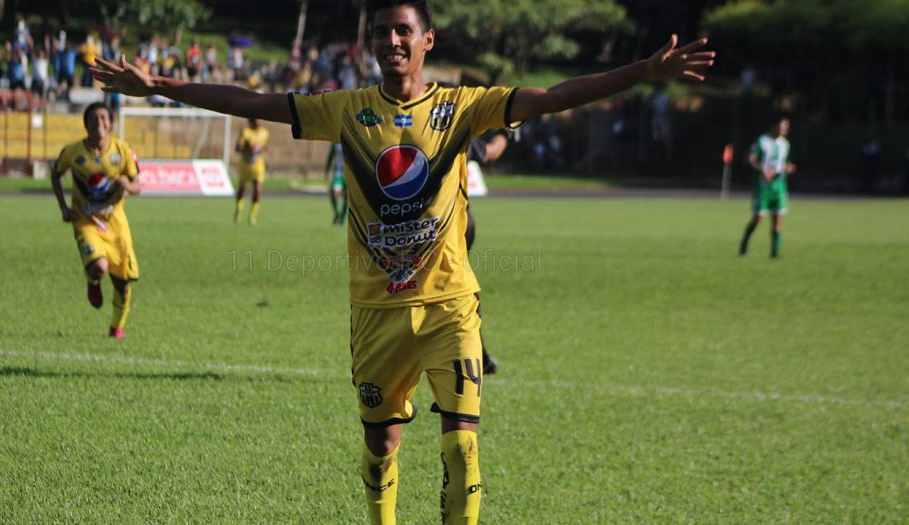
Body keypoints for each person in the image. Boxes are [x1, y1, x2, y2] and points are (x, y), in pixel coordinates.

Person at [92, 1, 713, 521]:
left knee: (462, 447)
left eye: (403, 31)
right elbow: (252, 100)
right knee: (381, 444)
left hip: (450, 305)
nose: (391, 41)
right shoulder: (344, 109)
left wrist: (643, 71)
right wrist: (161, 86)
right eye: (382, 32)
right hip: (377, 312)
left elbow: (554, 96)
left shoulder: (463, 106)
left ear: (426, 40)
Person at [51, 103, 142, 340]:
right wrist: (64, 208)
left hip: (115, 223)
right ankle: (93, 280)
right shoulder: (73, 152)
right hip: (86, 220)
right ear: (86, 124)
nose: (99, 121)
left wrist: (128, 185)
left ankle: (116, 327)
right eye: (94, 117)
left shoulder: (123, 150)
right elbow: (56, 174)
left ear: (111, 123)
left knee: (122, 283)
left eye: (104, 117)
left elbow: (137, 186)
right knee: (100, 267)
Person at [465, 129, 511, 375]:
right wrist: (505, 132)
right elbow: (491, 151)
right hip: (453, 225)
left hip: (400, 227)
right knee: (463, 290)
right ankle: (477, 353)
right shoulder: (451, 127)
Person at [739, 117, 795, 259]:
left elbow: (784, 163)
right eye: (783, 126)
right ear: (774, 126)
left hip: (779, 185)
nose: (785, 129)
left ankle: (774, 253)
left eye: (786, 127)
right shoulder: (762, 141)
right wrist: (761, 170)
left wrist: (788, 167)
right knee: (758, 218)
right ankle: (744, 243)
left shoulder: (785, 144)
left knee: (777, 219)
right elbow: (750, 158)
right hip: (763, 186)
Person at [233, 117, 269, 225]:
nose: (259, 121)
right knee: (243, 189)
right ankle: (239, 209)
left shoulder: (265, 133)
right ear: (251, 120)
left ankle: (253, 215)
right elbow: (237, 148)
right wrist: (246, 149)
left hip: (258, 165)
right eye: (256, 119)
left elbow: (265, 147)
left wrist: (263, 152)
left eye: (260, 119)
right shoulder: (245, 132)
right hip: (245, 164)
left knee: (258, 188)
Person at [326, 142, 347, 225]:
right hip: (338, 173)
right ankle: (337, 213)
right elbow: (330, 157)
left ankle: (342, 218)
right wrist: (327, 170)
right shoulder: (335, 143)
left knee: (347, 196)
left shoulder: (350, 140)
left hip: (348, 173)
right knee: (334, 192)